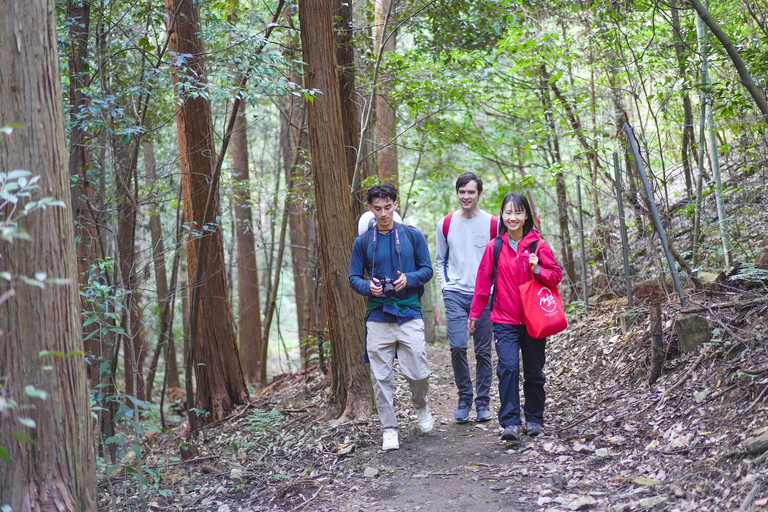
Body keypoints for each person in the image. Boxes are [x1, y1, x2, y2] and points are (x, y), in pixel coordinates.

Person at [468, 193, 562, 440]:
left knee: (533, 371)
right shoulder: (494, 247)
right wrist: (475, 314)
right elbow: (482, 284)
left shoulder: (539, 246)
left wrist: (537, 268)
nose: (513, 217)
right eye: (508, 212)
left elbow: (555, 276)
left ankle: (534, 419)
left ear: (526, 215)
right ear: (502, 215)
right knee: (508, 368)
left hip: (534, 320)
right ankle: (510, 422)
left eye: (518, 212)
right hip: (504, 320)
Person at [349, 184, 435, 451]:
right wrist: (368, 287)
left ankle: (421, 406)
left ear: (395, 205)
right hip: (377, 314)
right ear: (370, 209)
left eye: (388, 207)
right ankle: (389, 428)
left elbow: (427, 270)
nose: (383, 213)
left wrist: (408, 279)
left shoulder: (412, 235)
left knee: (419, 371)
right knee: (380, 377)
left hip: (408, 310)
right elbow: (353, 278)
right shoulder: (363, 242)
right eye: (377, 208)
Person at [435, 172, 498, 423]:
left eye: (471, 192)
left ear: (479, 194)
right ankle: (464, 397)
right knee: (458, 346)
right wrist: (445, 287)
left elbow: (499, 260)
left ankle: (483, 402)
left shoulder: (493, 223)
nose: (466, 196)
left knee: (483, 351)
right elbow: (440, 260)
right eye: (462, 192)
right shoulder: (446, 223)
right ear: (457, 193)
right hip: (456, 294)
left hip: (485, 296)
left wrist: (496, 290)